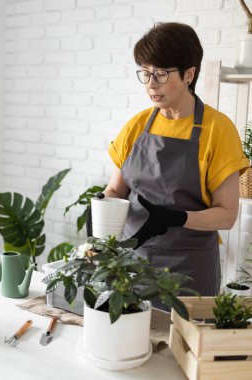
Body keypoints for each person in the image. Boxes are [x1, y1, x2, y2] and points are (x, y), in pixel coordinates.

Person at [104, 22, 249, 301]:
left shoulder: (218, 130)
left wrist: (178, 218)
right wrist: (101, 211)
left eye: (160, 74)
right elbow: (115, 191)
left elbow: (227, 215)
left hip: (189, 271)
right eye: (145, 74)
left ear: (189, 74)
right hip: (132, 264)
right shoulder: (136, 126)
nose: (150, 85)